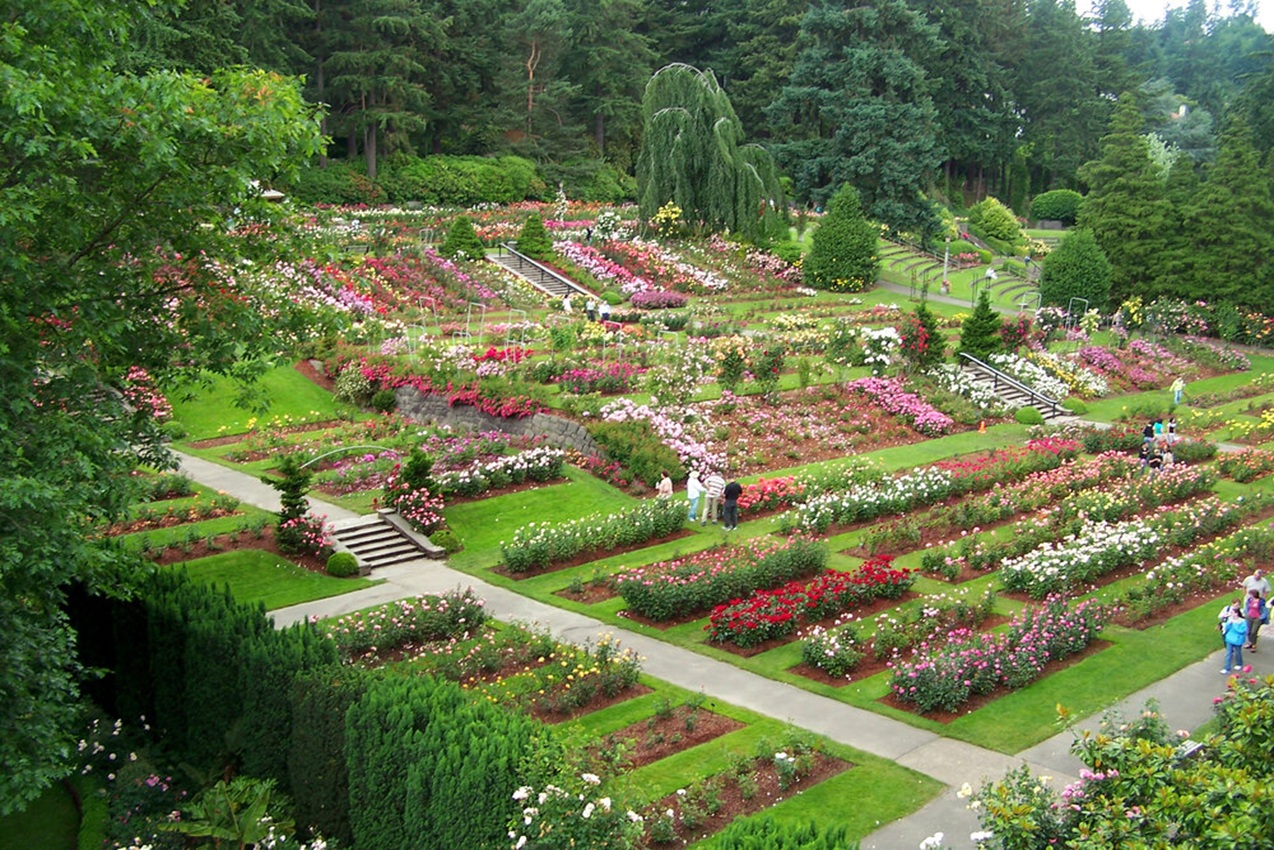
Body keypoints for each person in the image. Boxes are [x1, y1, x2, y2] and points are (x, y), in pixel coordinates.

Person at [1222, 605, 1248, 674]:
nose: (1230, 614)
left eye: (1232, 612)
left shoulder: (1242, 622)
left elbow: (1242, 631)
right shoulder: (1230, 620)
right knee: (1228, 654)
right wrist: (1228, 624)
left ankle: (1239, 663)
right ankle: (1226, 668)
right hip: (1229, 639)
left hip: (1237, 640)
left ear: (1236, 613)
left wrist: (1234, 625)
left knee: (1238, 652)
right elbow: (1226, 629)